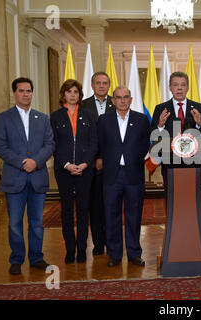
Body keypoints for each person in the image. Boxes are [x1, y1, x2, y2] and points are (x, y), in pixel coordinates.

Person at [0, 77, 55, 275]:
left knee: (37, 222)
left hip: (37, 177)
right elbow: (0, 146)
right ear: (14, 93)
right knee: (15, 223)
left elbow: (50, 144)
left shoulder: (42, 118)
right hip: (15, 178)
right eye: (21, 91)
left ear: (32, 93)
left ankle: (36, 257)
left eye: (28, 91)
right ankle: (17, 259)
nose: (25, 94)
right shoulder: (3, 118)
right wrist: (23, 162)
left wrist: (35, 161)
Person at [97, 86, 150, 267]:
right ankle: (115, 254)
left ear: (131, 99)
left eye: (126, 97)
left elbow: (145, 145)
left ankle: (134, 253)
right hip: (112, 174)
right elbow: (101, 144)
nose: (122, 100)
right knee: (111, 215)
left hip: (133, 174)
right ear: (113, 100)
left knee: (133, 215)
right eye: (118, 97)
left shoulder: (141, 119)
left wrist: (133, 159)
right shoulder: (103, 120)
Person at [50, 79, 97, 264]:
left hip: (85, 170)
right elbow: (52, 144)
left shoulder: (88, 115)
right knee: (67, 210)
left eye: (76, 92)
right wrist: (67, 164)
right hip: (64, 170)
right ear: (63, 94)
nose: (72, 95)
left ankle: (82, 248)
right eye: (69, 91)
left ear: (80, 95)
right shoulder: (55, 117)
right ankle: (70, 248)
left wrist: (85, 163)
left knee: (84, 210)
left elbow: (94, 143)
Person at [149, 72, 201, 191]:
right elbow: (153, 136)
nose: (179, 88)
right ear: (170, 87)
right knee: (172, 197)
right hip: (170, 162)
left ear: (187, 87)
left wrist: (199, 124)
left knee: (192, 197)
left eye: (183, 85)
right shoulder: (161, 108)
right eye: (175, 85)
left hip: (194, 162)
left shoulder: (199, 107)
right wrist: (160, 126)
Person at [81, 72, 115, 256]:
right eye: (98, 83)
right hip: (91, 163)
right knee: (94, 205)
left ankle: (111, 241)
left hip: (113, 162)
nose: (101, 86)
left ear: (109, 85)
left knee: (111, 205)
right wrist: (94, 158)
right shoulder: (83, 105)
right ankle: (98, 243)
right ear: (92, 85)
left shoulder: (116, 103)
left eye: (105, 83)